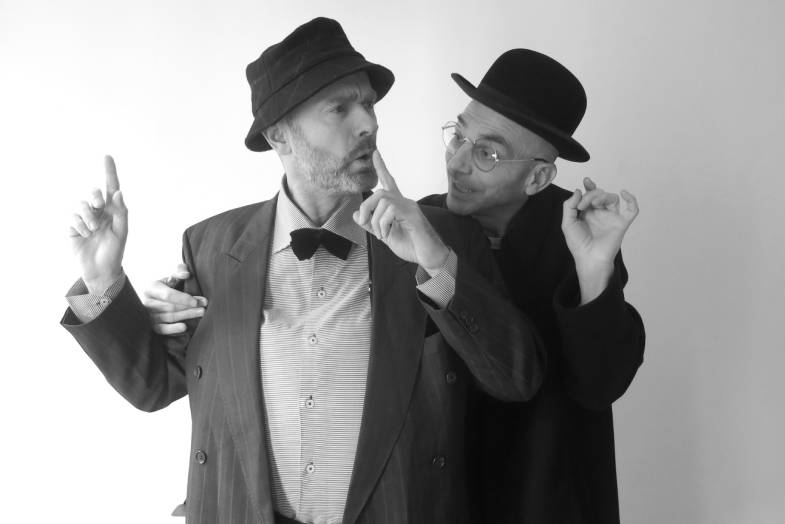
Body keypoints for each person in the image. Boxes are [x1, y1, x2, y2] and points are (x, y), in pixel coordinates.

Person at [60, 18, 545, 524]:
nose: (369, 124)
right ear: (279, 135)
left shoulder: (439, 237)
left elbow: (517, 380)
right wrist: (102, 279)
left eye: (369, 104)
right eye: (341, 108)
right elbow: (153, 385)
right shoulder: (210, 247)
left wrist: (437, 266)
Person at [419, 49, 646, 523]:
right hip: (446, 494)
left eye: (487, 152)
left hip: (550, 496)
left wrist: (594, 269)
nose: (457, 162)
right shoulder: (423, 227)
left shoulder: (580, 231)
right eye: (458, 136)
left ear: (538, 177)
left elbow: (600, 387)